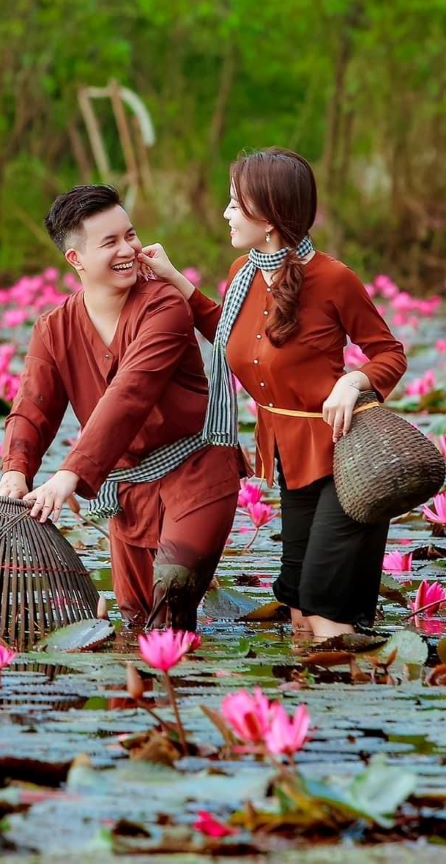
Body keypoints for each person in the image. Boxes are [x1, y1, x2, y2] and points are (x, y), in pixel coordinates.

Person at [141, 148, 407, 640]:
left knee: (327, 611)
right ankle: (311, 704)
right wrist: (175, 280)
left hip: (346, 460)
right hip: (290, 458)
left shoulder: (334, 279)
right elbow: (233, 334)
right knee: (300, 609)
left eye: (234, 204)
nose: (224, 213)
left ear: (268, 217)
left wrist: (353, 380)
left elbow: (389, 353)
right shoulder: (244, 272)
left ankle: (356, 706)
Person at [0, 184, 246, 631]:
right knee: (135, 623)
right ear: (76, 260)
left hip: (196, 472)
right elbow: (32, 407)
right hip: (128, 492)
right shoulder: (53, 329)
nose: (128, 249)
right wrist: (16, 471)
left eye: (130, 235)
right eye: (110, 242)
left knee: (173, 595)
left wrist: (69, 474)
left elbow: (131, 393)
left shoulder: (165, 304)